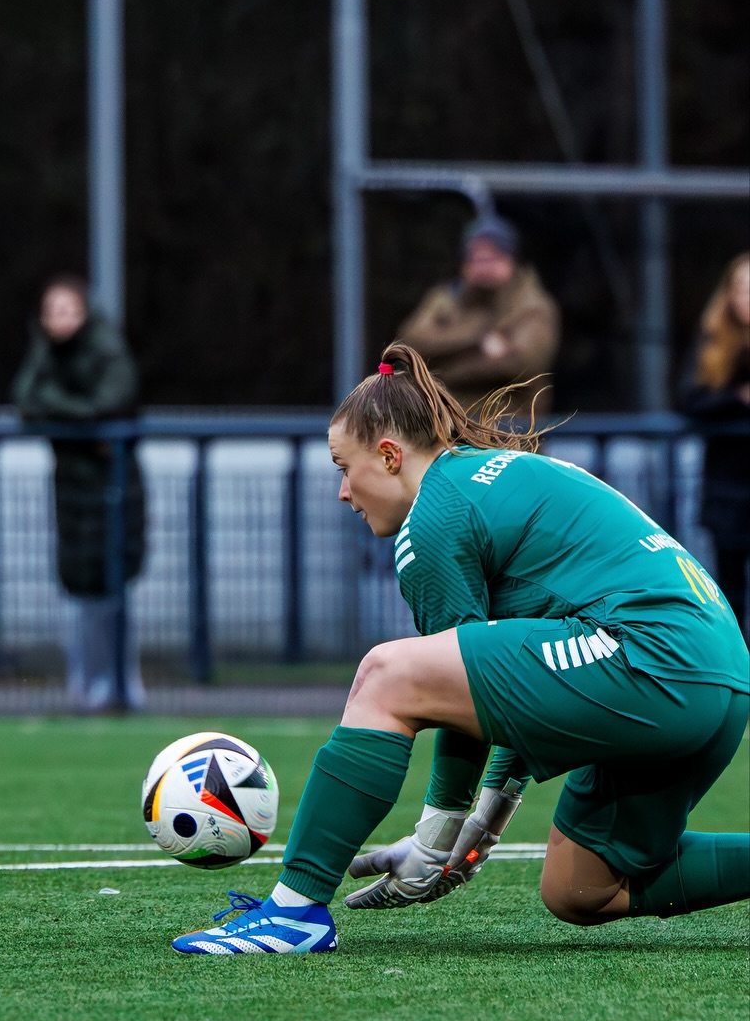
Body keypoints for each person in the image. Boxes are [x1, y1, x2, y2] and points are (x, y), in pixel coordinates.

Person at [171, 342, 748, 956]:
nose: (343, 492)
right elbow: (512, 688)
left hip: (653, 660)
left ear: (390, 456)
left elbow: (460, 691)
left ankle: (293, 914)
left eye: (344, 466)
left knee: (387, 675)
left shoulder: (434, 518)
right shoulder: (488, 475)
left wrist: (436, 837)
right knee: (581, 889)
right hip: (717, 677)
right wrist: (480, 826)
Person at [13, 276, 146, 710]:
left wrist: (57, 407)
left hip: (112, 481)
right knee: (79, 584)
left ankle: (122, 685)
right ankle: (84, 684)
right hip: (70, 485)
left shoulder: (108, 350)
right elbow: (26, 401)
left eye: (68, 310)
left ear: (84, 312)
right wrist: (69, 415)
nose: (59, 320)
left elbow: (107, 406)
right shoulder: (44, 352)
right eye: (51, 311)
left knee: (112, 584)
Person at [397, 214, 560, 415]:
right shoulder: (445, 299)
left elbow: (522, 365)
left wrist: (435, 371)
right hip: (446, 422)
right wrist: (478, 339)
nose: (484, 267)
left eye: (493, 258)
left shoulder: (531, 305)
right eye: (477, 259)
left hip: (509, 426)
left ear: (510, 261)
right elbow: (409, 343)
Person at [679, 253, 750, 636]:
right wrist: (738, 398)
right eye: (741, 288)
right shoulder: (714, 340)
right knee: (729, 589)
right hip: (727, 485)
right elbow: (689, 399)